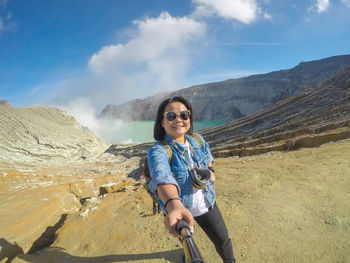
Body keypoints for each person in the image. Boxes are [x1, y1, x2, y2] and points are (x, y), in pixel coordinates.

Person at [147, 96, 236, 263]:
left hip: (207, 204)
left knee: (223, 241)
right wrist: (175, 205)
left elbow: (207, 154)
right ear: (162, 122)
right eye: (171, 116)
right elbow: (161, 175)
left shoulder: (197, 139)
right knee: (188, 244)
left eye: (184, 115)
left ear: (189, 118)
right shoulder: (158, 151)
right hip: (181, 210)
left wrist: (210, 169)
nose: (178, 120)